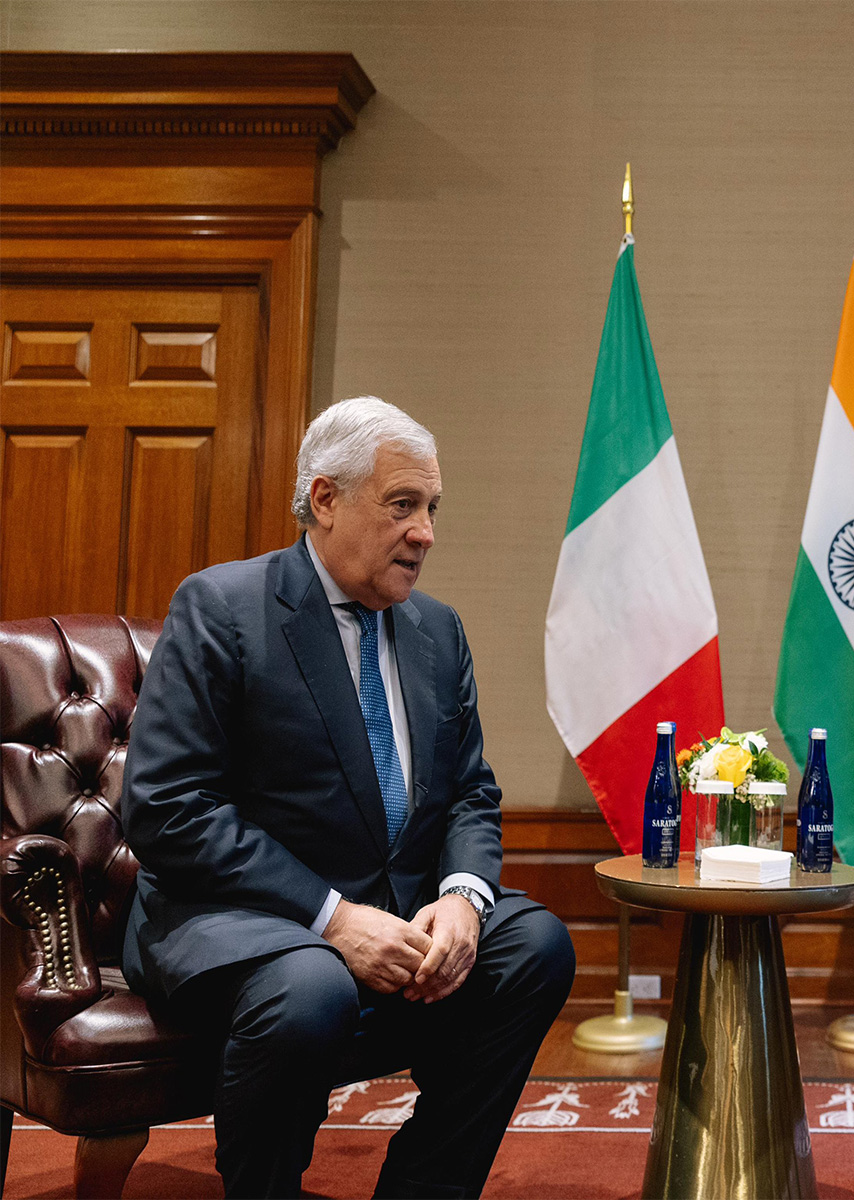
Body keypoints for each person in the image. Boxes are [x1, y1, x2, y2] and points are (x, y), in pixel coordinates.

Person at [122, 395, 575, 1198]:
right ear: (325, 499)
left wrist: (465, 899)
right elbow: (167, 808)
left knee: (533, 943)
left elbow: (470, 790)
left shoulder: (437, 630)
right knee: (311, 985)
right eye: (403, 505)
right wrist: (332, 917)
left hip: (395, 912)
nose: (426, 532)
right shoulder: (223, 608)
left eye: (432, 508)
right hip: (236, 918)